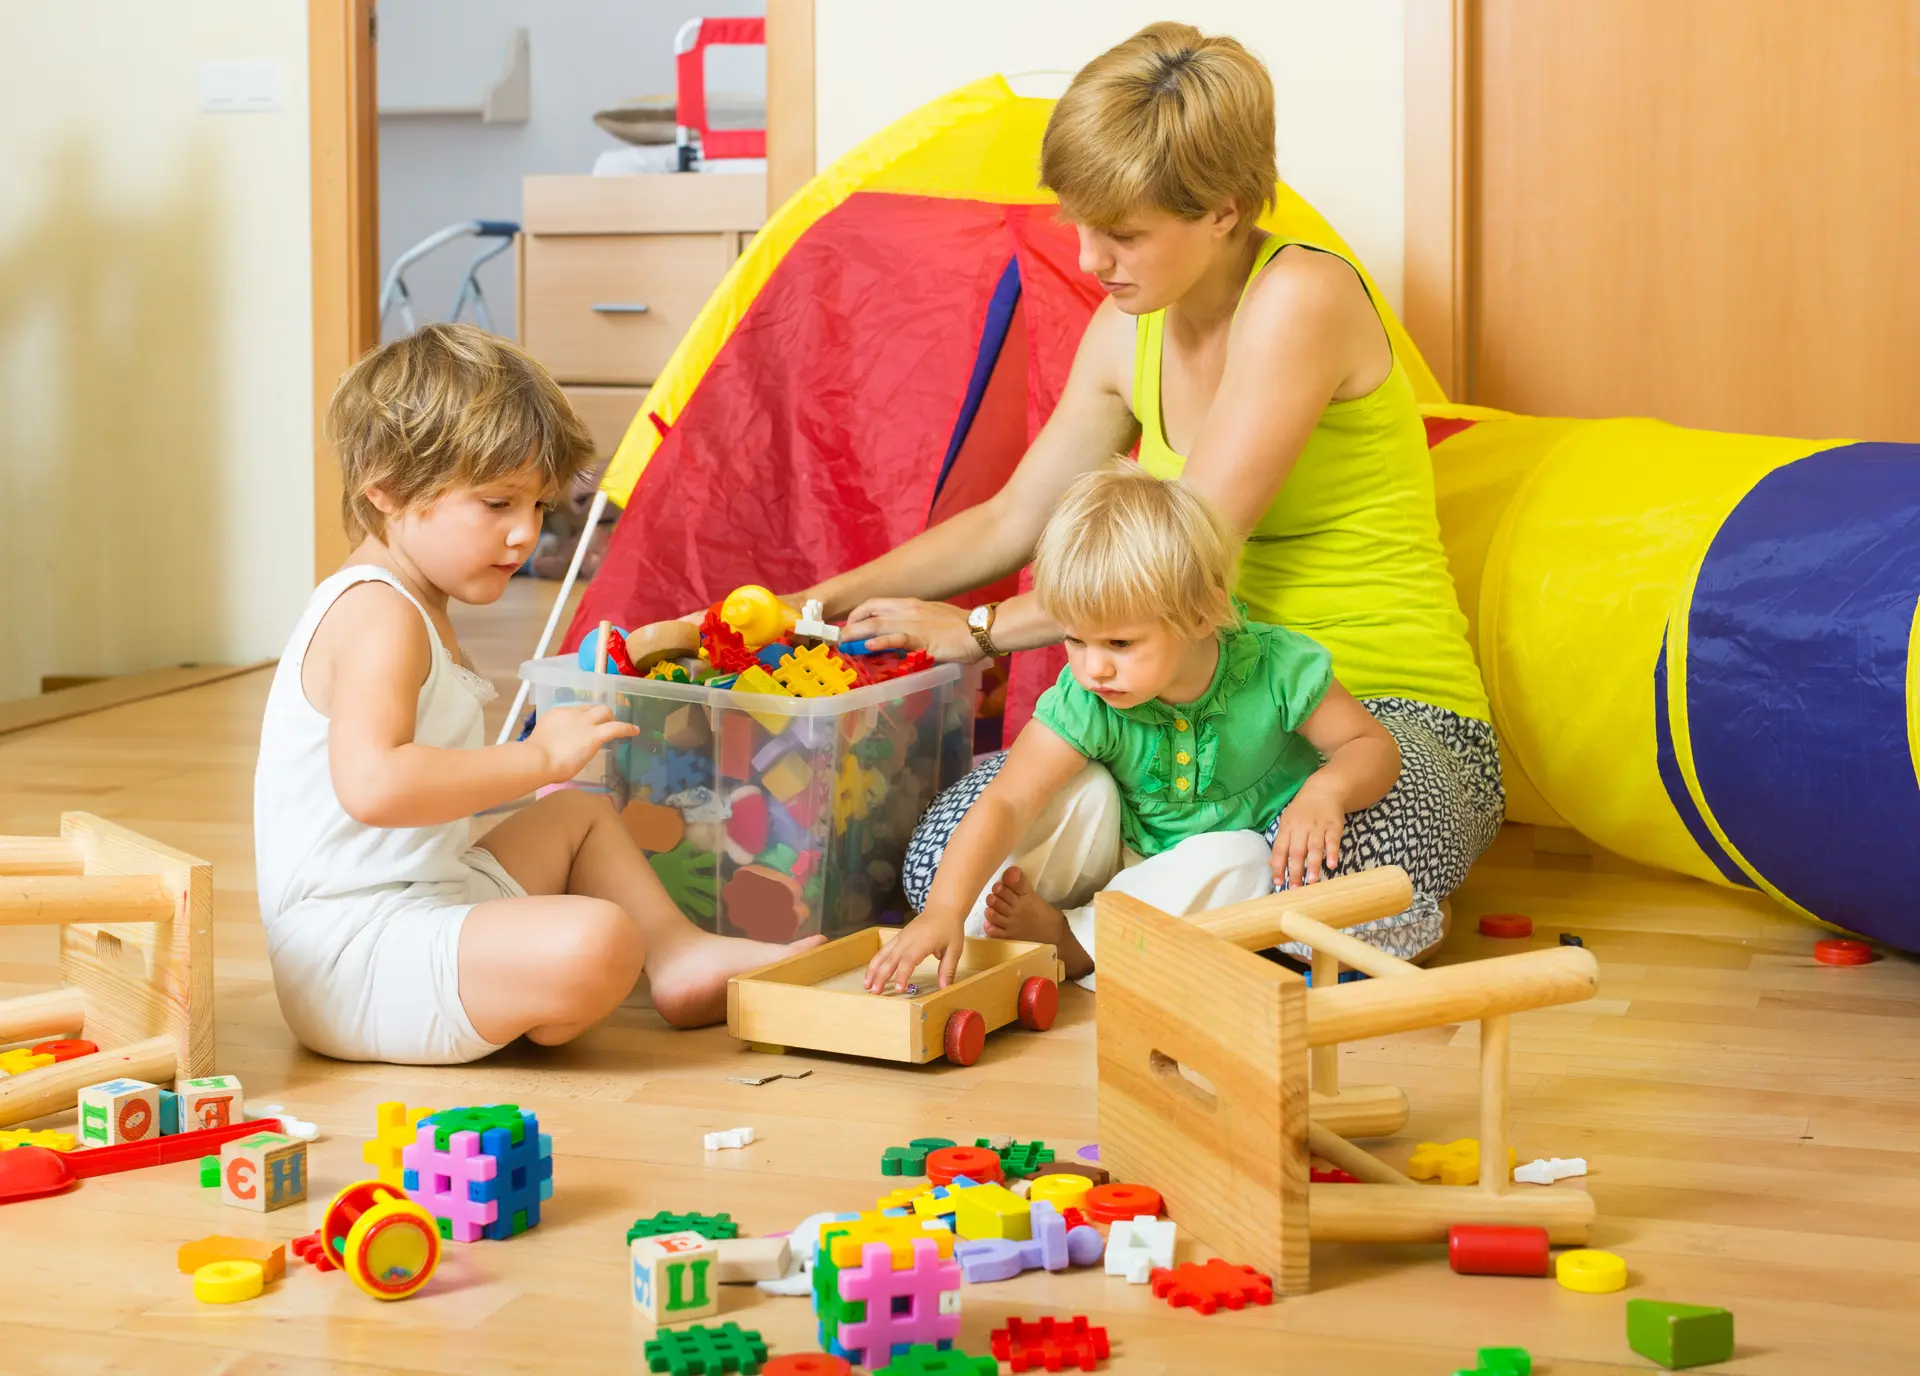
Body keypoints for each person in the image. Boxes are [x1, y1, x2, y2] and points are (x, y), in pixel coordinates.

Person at [801, 23, 1502, 960]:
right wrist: (819, 602)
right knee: (939, 868)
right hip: (1177, 724)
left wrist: (976, 632)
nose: (1092, 259)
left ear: (1224, 209)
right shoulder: (1125, 326)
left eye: (1124, 233)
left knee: (1336, 877)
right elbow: (1013, 518)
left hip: (1375, 720)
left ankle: (1130, 924)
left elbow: (1180, 558)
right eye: (1081, 224)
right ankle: (1163, 916)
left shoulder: (1301, 297)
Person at [254, 323, 818, 1065]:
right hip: (353, 953)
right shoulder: (378, 614)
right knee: (597, 941)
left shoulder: (413, 602)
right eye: (496, 504)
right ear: (387, 489)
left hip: (424, 897)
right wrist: (535, 756)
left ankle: (678, 956)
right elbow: (375, 786)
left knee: (579, 815)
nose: (525, 535)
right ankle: (550, 979)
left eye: (540, 507)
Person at [864, 465, 1400, 993]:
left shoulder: (1276, 669)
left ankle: (1074, 944)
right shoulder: (1091, 697)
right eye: (1075, 640)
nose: (1093, 667)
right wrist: (944, 908)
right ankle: (999, 937)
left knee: (1243, 861)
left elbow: (1371, 745)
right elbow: (1008, 801)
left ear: (1200, 616)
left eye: (1120, 644)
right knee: (1080, 790)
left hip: (1192, 878)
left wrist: (1327, 789)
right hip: (1118, 852)